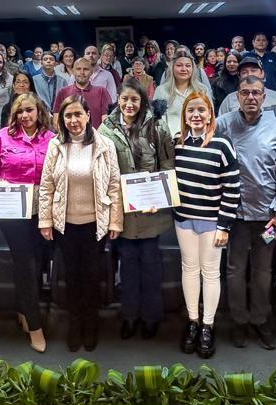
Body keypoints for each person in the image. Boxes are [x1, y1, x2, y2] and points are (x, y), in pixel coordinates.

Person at [0, 93, 55, 353]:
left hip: (43, 211)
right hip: (12, 212)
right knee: (26, 265)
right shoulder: (3, 136)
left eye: (29, 110)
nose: (25, 116)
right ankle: (36, 326)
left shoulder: (52, 139)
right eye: (20, 112)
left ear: (39, 112)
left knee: (37, 264)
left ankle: (23, 310)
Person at [38, 95, 123, 352]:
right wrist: (45, 220)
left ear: (88, 115)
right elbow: (47, 186)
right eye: (68, 116)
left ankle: (91, 324)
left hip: (95, 224)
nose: (74, 121)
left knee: (92, 277)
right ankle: (74, 325)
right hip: (65, 224)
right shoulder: (55, 146)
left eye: (78, 114)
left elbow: (114, 185)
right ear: (62, 120)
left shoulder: (105, 145)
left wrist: (115, 222)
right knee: (72, 278)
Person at [215, 76, 276, 350]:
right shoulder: (223, 125)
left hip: (268, 217)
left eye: (256, 93)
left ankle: (260, 319)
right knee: (235, 269)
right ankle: (239, 320)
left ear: (263, 97)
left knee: (263, 270)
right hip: (234, 214)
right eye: (245, 93)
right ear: (237, 96)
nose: (250, 97)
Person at [99, 77, 174, 340]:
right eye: (124, 99)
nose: (129, 104)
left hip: (151, 211)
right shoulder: (105, 129)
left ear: (142, 102)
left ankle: (151, 317)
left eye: (134, 99)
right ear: (118, 101)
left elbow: (167, 164)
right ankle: (129, 316)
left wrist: (160, 197)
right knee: (127, 269)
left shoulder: (157, 126)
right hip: (123, 214)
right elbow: (103, 171)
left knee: (152, 268)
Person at [173, 92, 240, 359]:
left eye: (201, 110)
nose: (196, 115)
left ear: (210, 114)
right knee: (189, 269)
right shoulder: (177, 143)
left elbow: (232, 187)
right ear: (185, 115)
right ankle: (192, 321)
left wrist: (225, 225)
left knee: (210, 273)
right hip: (184, 219)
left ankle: (208, 326)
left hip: (213, 222)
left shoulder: (222, 145)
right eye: (191, 111)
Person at [157, 47, 214, 137]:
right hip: (171, 141)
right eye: (179, 65)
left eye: (188, 66)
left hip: (198, 140)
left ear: (192, 68)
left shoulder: (202, 90)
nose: (184, 69)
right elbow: (157, 120)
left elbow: (210, 116)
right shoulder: (161, 90)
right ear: (172, 68)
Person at [217, 53, 276, 117]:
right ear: (239, 76)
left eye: (253, 70)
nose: (249, 74)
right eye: (244, 72)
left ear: (262, 73)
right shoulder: (229, 100)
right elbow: (222, 127)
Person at [53, 58, 112, 128]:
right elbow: (56, 120)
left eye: (86, 69)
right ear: (73, 72)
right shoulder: (63, 92)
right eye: (78, 69)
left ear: (91, 72)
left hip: (96, 137)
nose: (82, 72)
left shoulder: (102, 91)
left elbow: (106, 120)